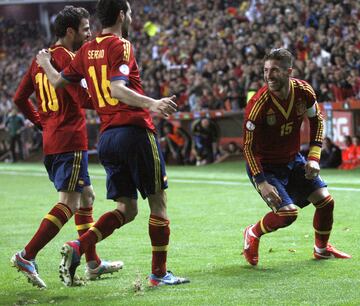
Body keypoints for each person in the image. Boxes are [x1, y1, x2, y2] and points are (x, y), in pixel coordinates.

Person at [36, 0, 189, 287]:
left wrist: (45, 63)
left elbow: (59, 83)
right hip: (134, 131)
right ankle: (158, 274)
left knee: (127, 209)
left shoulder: (85, 50)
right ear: (121, 15)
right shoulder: (121, 45)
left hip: (107, 138)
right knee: (158, 203)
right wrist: (153, 103)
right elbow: (117, 88)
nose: (130, 17)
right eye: (129, 12)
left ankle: (79, 245)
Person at [11, 6, 123, 289]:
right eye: (85, 28)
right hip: (70, 140)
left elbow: (19, 98)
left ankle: (93, 263)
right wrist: (112, 98)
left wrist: (41, 122)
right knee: (69, 203)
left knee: (87, 197)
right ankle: (27, 254)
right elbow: (83, 97)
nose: (89, 33)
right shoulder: (71, 59)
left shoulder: (41, 60)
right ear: (70, 31)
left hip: (52, 141)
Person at [242, 48, 351, 266]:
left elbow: (317, 120)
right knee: (287, 215)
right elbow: (248, 147)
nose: (269, 75)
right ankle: (252, 233)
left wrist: (313, 156)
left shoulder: (304, 91)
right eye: (265, 70)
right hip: (266, 167)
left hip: (294, 161)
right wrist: (261, 182)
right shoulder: (258, 104)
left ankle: (321, 249)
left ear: (288, 71)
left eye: (275, 70)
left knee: (326, 202)